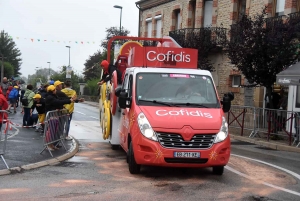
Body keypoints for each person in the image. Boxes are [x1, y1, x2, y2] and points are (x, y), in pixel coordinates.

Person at [45, 85, 75, 151]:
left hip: (54, 116)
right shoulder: (50, 97)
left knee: (54, 131)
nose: (56, 91)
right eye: (54, 90)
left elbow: (60, 99)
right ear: (52, 91)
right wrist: (69, 100)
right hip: (51, 116)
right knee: (51, 131)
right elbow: (58, 102)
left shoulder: (53, 96)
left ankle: (52, 144)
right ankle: (49, 145)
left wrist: (69, 99)